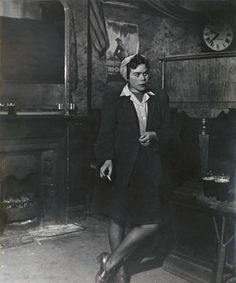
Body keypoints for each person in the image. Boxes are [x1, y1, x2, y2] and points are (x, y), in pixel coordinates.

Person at [95, 54, 170, 283]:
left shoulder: (159, 97)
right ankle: (120, 273)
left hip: (149, 167)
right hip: (122, 165)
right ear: (126, 74)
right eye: (137, 74)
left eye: (145, 73)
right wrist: (106, 159)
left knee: (152, 222)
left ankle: (111, 261)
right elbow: (106, 130)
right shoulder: (115, 98)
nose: (142, 78)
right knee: (118, 217)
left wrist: (155, 135)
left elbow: (172, 130)